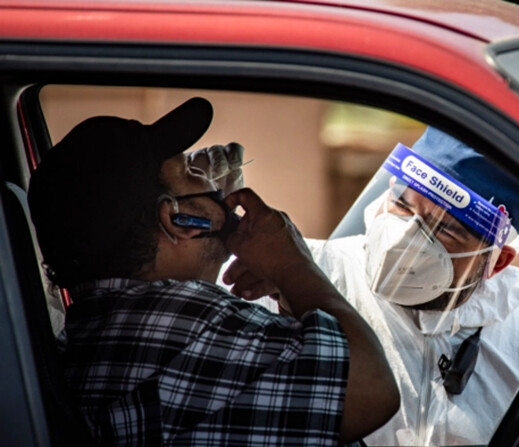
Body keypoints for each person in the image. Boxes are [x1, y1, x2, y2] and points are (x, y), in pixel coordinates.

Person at [26, 97, 399, 446]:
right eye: (190, 172)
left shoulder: (93, 329)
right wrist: (291, 263)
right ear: (176, 219)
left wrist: (290, 294)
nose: (212, 183)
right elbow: (371, 389)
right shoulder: (188, 319)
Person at [223, 127, 519, 446]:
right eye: (401, 204)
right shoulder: (298, 279)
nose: (406, 238)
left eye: (446, 229)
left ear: (498, 262)